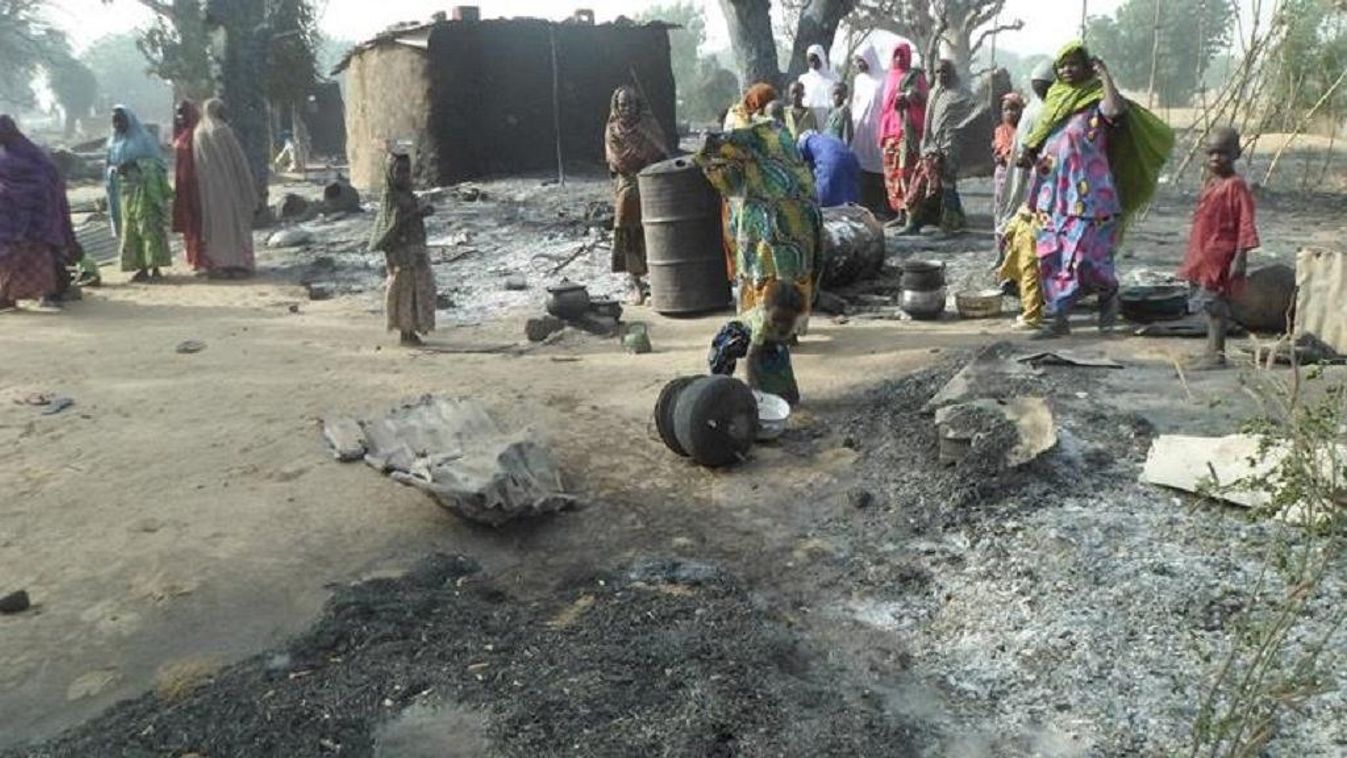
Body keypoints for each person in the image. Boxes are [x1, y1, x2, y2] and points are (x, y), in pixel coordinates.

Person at [1018, 41, 1174, 339]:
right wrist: (1031, 156)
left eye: (1074, 64)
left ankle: (1107, 296)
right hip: (1053, 196)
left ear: (1087, 66)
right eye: (1063, 65)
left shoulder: (1096, 100)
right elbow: (1040, 139)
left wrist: (1104, 75)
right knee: (1051, 256)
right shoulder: (1055, 100)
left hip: (1090, 198)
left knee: (1087, 257)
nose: (1067, 69)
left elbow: (1116, 111)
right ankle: (1058, 317)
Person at [694, 119, 821, 405]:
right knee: (740, 367)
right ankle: (723, 391)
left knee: (766, 287)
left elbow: (714, 167)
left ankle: (774, 387)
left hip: (765, 246)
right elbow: (751, 359)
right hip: (733, 343)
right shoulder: (794, 170)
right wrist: (755, 395)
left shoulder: (755, 170)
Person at [1179, 127, 1259, 369]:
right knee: (1206, 303)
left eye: (1222, 153)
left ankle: (1217, 354)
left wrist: (1240, 258)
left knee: (1215, 304)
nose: (1216, 158)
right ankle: (1210, 351)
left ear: (1237, 154)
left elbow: (1245, 223)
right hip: (1203, 255)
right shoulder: (1213, 183)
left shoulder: (1236, 186)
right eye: (1211, 153)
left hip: (1221, 256)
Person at [0, 115, 81, 311]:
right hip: (11, 221)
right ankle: (7, 296)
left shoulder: (33, 157)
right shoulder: (6, 157)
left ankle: (47, 294)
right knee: (9, 260)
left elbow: (48, 184)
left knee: (39, 259)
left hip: (37, 219)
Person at [604, 85, 668, 305]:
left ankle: (659, 280)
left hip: (653, 181)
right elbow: (618, 160)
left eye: (631, 103)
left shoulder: (649, 126)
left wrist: (646, 164)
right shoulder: (613, 130)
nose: (627, 108)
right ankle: (635, 282)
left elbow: (659, 150)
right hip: (629, 184)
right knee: (628, 227)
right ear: (616, 106)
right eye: (622, 104)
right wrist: (641, 160)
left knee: (657, 229)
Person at [369, 152, 437, 347]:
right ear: (390, 172)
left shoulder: (408, 194)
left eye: (406, 170)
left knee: (420, 288)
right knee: (404, 291)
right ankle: (406, 333)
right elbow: (392, 224)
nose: (404, 175)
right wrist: (417, 213)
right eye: (399, 171)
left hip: (415, 248)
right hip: (401, 250)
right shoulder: (390, 197)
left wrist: (421, 213)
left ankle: (413, 328)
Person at [900, 60, 974, 236]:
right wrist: (924, 144)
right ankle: (914, 223)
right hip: (930, 147)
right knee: (918, 184)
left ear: (952, 73)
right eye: (938, 72)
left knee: (947, 185)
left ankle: (951, 225)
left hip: (950, 148)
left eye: (945, 71)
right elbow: (929, 120)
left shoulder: (962, 96)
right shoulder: (933, 92)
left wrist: (950, 149)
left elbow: (966, 125)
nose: (941, 75)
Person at [193, 99, 259, 279]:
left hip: (209, 190)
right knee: (234, 224)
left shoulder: (198, 132)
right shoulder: (222, 130)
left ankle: (218, 263)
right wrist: (248, 186)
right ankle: (237, 263)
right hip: (230, 186)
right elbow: (239, 160)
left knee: (216, 227)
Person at [106, 105, 171, 282]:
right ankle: (141, 267)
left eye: (120, 120)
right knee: (131, 229)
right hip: (125, 192)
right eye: (114, 120)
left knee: (149, 227)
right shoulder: (113, 143)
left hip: (145, 189)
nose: (117, 124)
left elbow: (158, 164)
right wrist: (114, 170)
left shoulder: (144, 140)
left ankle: (155, 267)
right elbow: (109, 165)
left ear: (129, 120)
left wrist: (135, 165)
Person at [993, 62, 1056, 246]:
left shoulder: (1054, 109)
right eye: (1036, 85)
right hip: (1020, 168)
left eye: (1044, 85)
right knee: (1013, 206)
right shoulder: (1031, 110)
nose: (1040, 89)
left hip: (1044, 168)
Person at [879, 41, 928, 226]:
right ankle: (899, 213)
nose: (899, 58)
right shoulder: (889, 77)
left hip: (906, 131)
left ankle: (911, 217)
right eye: (896, 55)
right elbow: (885, 108)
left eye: (902, 55)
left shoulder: (915, 77)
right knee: (891, 176)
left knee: (906, 173)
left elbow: (925, 99)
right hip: (889, 132)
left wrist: (910, 96)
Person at [849, 44, 888, 217]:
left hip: (877, 128)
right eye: (857, 61)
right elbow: (855, 103)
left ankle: (881, 206)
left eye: (861, 60)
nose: (859, 64)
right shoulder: (858, 80)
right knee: (861, 165)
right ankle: (865, 204)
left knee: (879, 166)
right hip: (860, 129)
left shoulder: (883, 79)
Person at [171, 100, 206, 272]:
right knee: (188, 223)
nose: (180, 117)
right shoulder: (181, 134)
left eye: (183, 113)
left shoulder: (198, 134)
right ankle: (193, 257)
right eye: (178, 113)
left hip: (197, 185)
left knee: (199, 222)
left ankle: (202, 259)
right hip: (183, 185)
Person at [798, 130, 860, 208]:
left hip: (830, 162)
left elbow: (802, 165)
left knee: (826, 203)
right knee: (849, 197)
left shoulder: (804, 144)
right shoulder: (827, 138)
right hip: (852, 160)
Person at [992, 92, 1025, 225]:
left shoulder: (1023, 129)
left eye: (1014, 109)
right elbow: (1001, 148)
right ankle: (1000, 229)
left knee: (1018, 200)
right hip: (1004, 172)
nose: (1009, 113)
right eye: (1006, 109)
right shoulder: (1000, 130)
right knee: (1002, 201)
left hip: (1019, 171)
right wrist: (1005, 157)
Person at [797, 44, 840, 127]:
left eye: (815, 59)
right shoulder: (803, 78)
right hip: (809, 117)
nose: (813, 63)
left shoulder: (834, 77)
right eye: (810, 60)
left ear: (821, 58)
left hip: (828, 117)